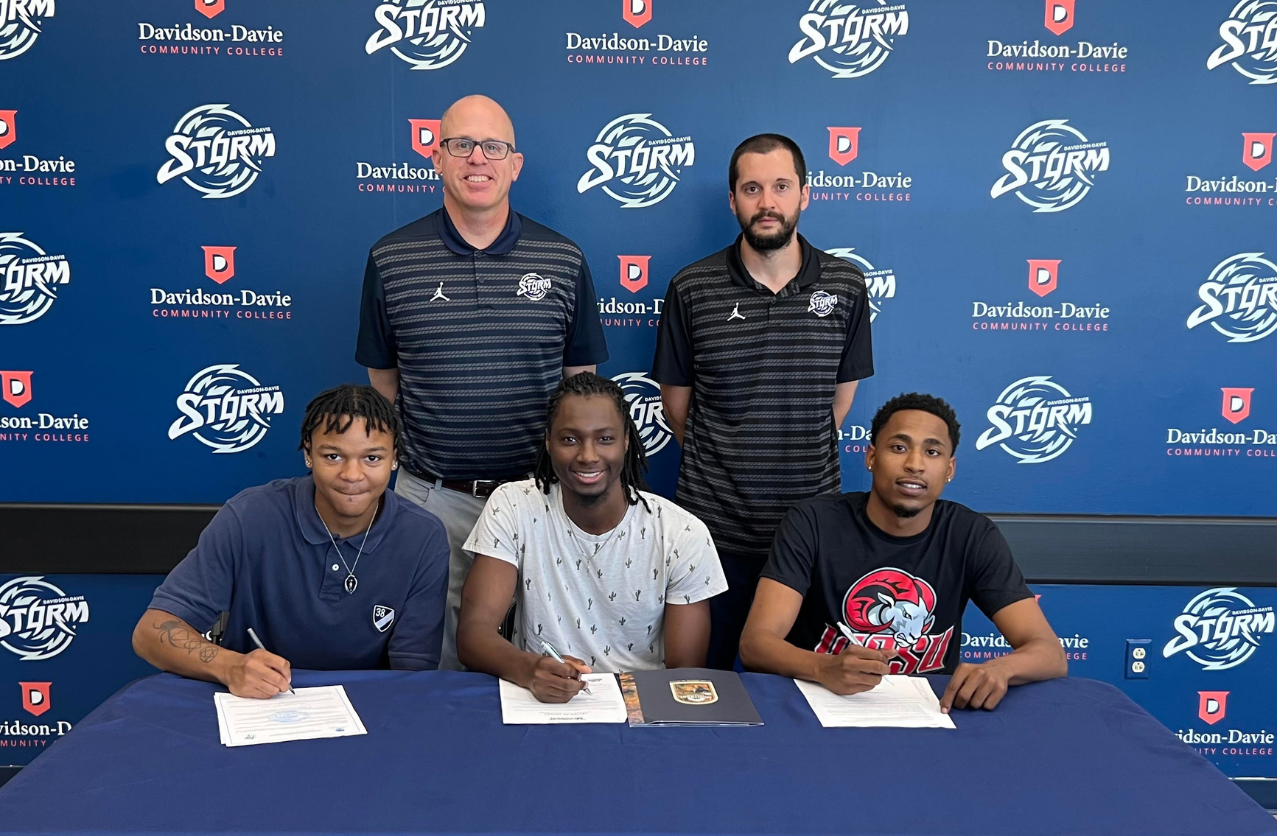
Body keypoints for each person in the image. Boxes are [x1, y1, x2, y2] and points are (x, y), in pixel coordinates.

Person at [356, 95, 609, 670]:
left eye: (493, 147)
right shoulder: (393, 259)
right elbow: (384, 381)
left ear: (514, 164)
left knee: (542, 665)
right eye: (460, 145)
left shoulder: (563, 259)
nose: (478, 158)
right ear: (437, 158)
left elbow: (582, 390)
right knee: (434, 668)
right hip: (432, 501)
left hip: (540, 499)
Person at [651, 133, 874, 669]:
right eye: (752, 188)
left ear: (805, 194)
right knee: (699, 694)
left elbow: (837, 407)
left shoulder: (845, 284)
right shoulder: (692, 287)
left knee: (802, 694)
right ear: (733, 200)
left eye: (780, 187)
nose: (767, 202)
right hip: (711, 534)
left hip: (808, 537)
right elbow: (678, 410)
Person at [739, 393, 1067, 711]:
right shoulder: (813, 522)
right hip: (822, 704)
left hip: (930, 712)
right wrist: (823, 668)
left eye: (932, 452)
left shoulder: (971, 535)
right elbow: (756, 643)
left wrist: (1001, 670)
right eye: (899, 447)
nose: (914, 464)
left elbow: (1049, 652)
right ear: (870, 457)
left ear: (950, 469)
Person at [132, 385, 450, 698]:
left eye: (372, 458)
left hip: (371, 713)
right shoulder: (249, 516)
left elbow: (412, 676)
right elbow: (151, 631)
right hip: (256, 708)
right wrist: (230, 666)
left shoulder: (423, 536)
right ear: (308, 454)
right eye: (334, 455)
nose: (353, 475)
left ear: (395, 459)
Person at [456, 373, 727, 702]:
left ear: (626, 440)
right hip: (539, 700)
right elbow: (473, 634)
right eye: (570, 439)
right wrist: (530, 670)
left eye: (605, 439)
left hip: (639, 705)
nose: (587, 455)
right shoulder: (513, 505)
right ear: (548, 441)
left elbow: (685, 677)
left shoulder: (682, 533)